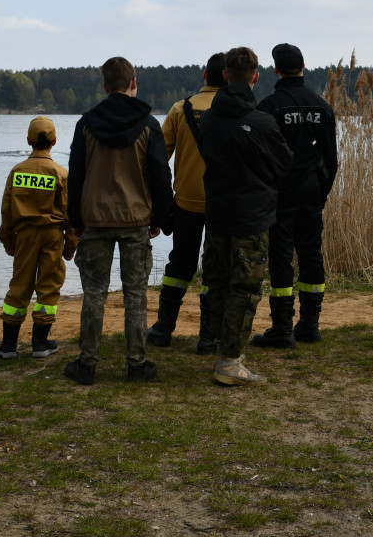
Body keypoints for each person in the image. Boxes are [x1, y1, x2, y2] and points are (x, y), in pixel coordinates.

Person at [63, 57, 173, 385]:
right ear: (133, 82)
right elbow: (159, 175)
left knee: (94, 292)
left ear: (105, 86)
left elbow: (77, 175)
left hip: (95, 219)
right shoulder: (149, 125)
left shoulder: (86, 124)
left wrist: (75, 220)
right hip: (136, 220)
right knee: (135, 293)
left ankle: (87, 364)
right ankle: (136, 364)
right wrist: (161, 218)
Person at [198, 46, 293, 385]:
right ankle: (228, 360)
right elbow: (285, 165)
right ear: (255, 77)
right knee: (246, 288)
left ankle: (226, 350)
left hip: (218, 214)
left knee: (220, 284)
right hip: (251, 217)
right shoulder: (262, 122)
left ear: (225, 76)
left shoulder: (207, 120)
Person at [251, 43, 338, 348]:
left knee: (280, 257)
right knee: (312, 255)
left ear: (275, 69)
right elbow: (332, 160)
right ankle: (310, 326)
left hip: (280, 194)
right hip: (312, 193)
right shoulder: (322, 107)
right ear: (303, 67)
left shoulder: (269, 107)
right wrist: (322, 196)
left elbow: (258, 159)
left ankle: (281, 328)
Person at [145, 53, 225, 355]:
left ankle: (164, 328)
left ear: (204, 74)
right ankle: (208, 337)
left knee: (180, 264)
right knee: (215, 270)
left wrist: (159, 204)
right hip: (222, 204)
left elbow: (158, 159)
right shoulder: (234, 110)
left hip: (187, 202)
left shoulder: (181, 109)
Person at [0, 116, 77, 360]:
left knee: (19, 285)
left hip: (24, 235)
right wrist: (71, 245)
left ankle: (8, 345)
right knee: (48, 286)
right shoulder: (61, 173)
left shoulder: (17, 171)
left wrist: (8, 240)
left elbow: (7, 209)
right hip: (53, 236)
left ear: (28, 141)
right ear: (54, 141)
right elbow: (69, 214)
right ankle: (40, 343)